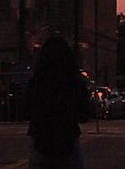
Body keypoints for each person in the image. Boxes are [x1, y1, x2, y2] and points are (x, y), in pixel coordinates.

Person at [25, 37, 90, 168]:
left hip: (41, 142)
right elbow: (84, 114)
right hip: (67, 141)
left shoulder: (37, 82)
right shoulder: (74, 82)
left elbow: (26, 111)